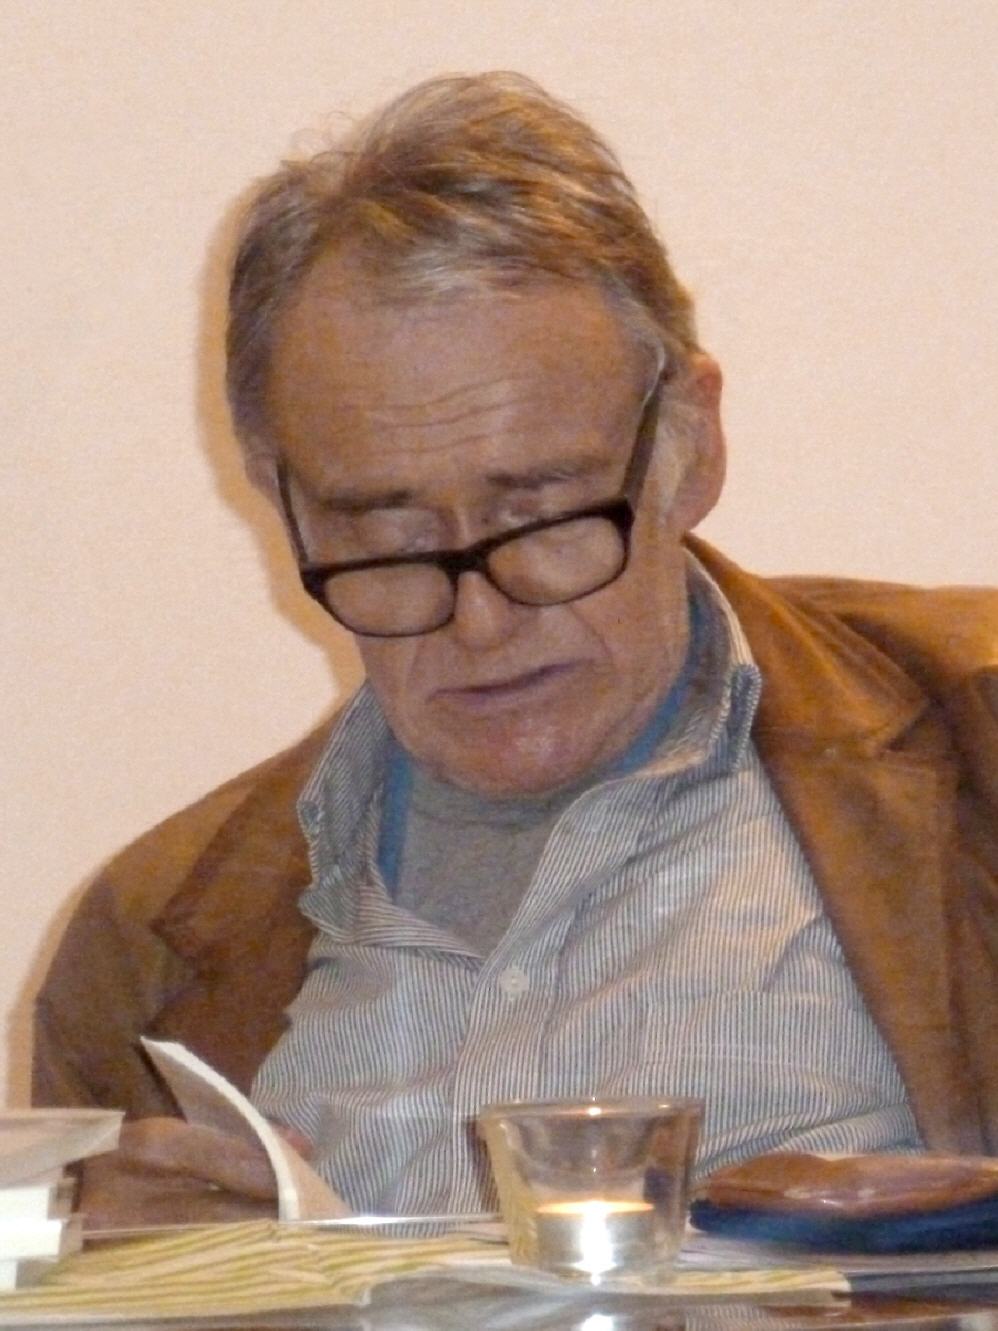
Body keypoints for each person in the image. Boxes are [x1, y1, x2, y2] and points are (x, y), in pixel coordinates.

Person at [32, 73, 998, 1229]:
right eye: (385, 538)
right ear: (280, 502)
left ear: (689, 442)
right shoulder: (146, 946)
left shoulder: (972, 737)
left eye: (541, 516)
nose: (479, 621)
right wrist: (102, 1284)